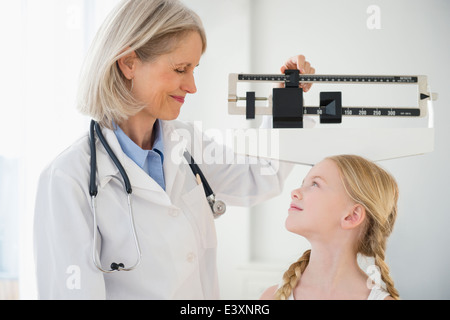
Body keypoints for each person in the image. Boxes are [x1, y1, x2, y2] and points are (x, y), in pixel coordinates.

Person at [33, 0, 315, 299]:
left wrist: (288, 101)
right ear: (129, 63)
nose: (192, 86)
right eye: (181, 69)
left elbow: (260, 176)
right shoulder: (68, 179)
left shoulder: (186, 142)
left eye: (193, 69)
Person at [260, 155, 400, 300]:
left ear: (352, 216)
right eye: (303, 183)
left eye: (315, 184)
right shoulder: (270, 297)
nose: (294, 192)